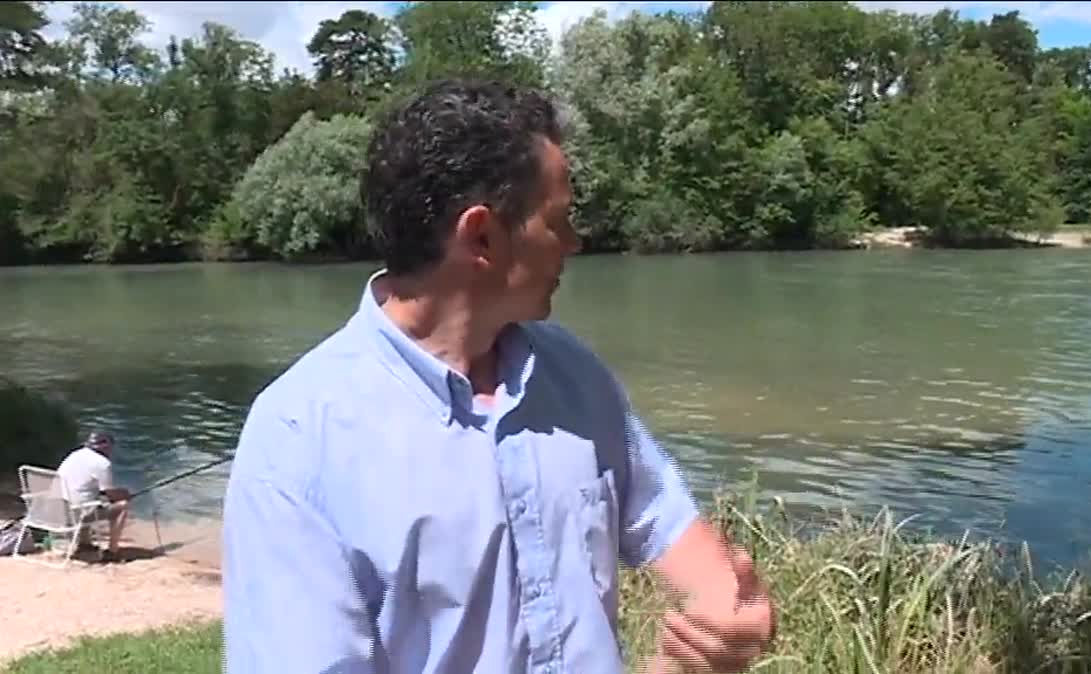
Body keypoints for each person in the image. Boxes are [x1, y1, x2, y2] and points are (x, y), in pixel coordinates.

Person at [222, 79, 775, 674]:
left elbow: (662, 518)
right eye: (557, 221)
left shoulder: (575, 375)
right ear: (481, 236)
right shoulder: (298, 437)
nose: (575, 243)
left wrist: (729, 612)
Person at [56, 430, 130, 562]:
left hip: (57, 510)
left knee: (85, 498)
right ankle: (112, 552)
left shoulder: (75, 454)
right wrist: (125, 494)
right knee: (122, 507)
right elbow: (111, 494)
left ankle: (84, 544)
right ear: (106, 446)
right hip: (77, 512)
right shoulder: (102, 463)